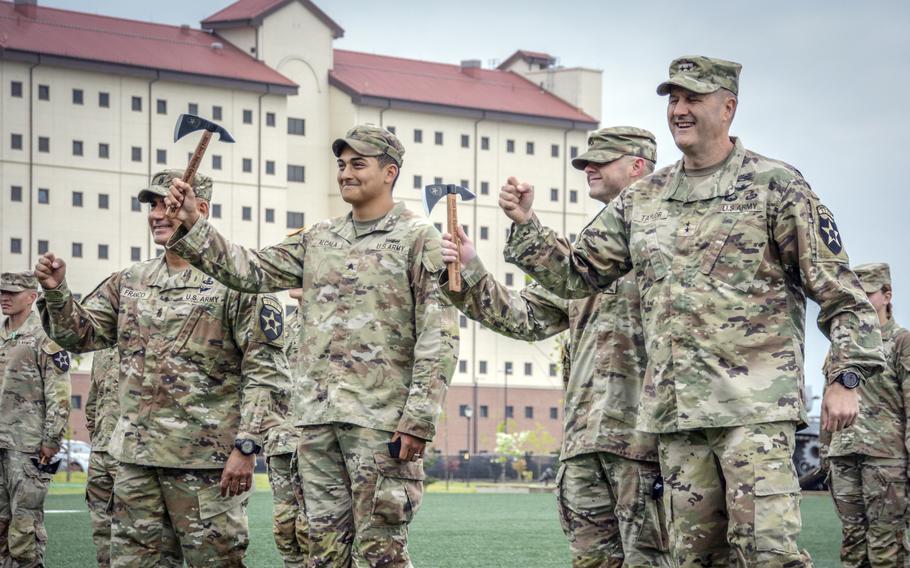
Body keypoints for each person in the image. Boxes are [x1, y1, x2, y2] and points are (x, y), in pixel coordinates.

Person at [499, 55, 885, 566]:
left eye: (692, 99)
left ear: (728, 107)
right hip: (678, 421)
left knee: (767, 554)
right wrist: (527, 224)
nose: (679, 110)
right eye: (673, 100)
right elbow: (579, 274)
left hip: (754, 414)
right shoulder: (644, 199)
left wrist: (847, 375)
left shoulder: (776, 186)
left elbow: (838, 287)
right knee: (695, 559)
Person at [163, 125, 459, 567]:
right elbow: (251, 270)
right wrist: (194, 222)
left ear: (389, 171)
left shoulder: (419, 237)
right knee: (321, 551)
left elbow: (440, 333)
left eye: (358, 164)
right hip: (317, 422)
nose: (345, 173)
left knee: (381, 553)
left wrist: (417, 419)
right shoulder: (319, 237)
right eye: (341, 165)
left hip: (379, 423)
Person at [35, 170, 291, 568]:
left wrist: (247, 445)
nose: (156, 214)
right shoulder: (131, 281)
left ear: (199, 209)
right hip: (136, 459)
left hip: (206, 464)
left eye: (167, 204)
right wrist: (56, 292)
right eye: (152, 205)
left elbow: (267, 372)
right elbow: (80, 336)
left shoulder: (237, 283)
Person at [441, 127, 671, 567]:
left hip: (648, 442)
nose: (589, 169)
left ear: (638, 165)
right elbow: (523, 316)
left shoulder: (671, 243)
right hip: (587, 442)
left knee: (654, 560)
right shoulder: (584, 260)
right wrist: (471, 267)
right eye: (586, 162)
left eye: (601, 160)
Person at [825, 263, 909, 567]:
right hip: (845, 456)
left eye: (868, 294)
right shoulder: (841, 349)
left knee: (886, 546)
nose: (860, 301)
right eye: (854, 294)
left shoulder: (903, 342)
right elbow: (828, 408)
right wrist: (826, 454)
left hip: (886, 459)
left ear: (887, 294)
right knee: (852, 544)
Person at [0, 271, 71, 568]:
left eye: (12, 293)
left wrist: (51, 439)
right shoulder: (1, 333)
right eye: (2, 292)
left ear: (32, 297)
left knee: (24, 527)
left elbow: (60, 394)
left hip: (27, 446)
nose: (4, 297)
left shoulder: (46, 337)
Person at [265, 286, 307, 567]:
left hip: (315, 442)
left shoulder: (336, 322)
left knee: (313, 529)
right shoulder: (283, 325)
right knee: (284, 528)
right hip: (280, 440)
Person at [84, 347, 122, 567]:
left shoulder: (143, 336)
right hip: (100, 452)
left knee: (135, 530)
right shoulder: (101, 349)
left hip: (128, 452)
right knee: (101, 528)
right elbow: (93, 397)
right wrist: (95, 432)